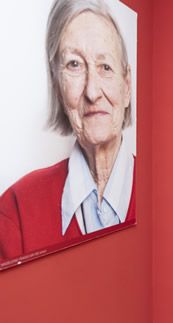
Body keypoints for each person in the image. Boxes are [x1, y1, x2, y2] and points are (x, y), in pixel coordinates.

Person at [0, 0, 135, 263]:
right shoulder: (15, 209)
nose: (92, 91)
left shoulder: (165, 193)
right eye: (74, 65)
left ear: (127, 86)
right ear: (57, 85)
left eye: (105, 67)